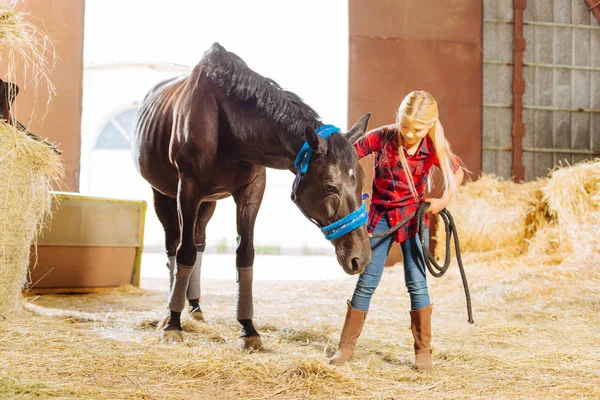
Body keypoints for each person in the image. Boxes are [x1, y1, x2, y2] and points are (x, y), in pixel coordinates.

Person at [329, 90, 465, 370]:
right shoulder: (383, 136)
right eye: (405, 126)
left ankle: (423, 352)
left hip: (413, 220)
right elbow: (349, 154)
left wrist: (441, 201)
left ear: (430, 126)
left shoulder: (433, 146)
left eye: (417, 129)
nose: (410, 133)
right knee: (367, 281)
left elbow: (457, 172)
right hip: (379, 216)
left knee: (417, 282)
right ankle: (345, 348)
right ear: (398, 119)